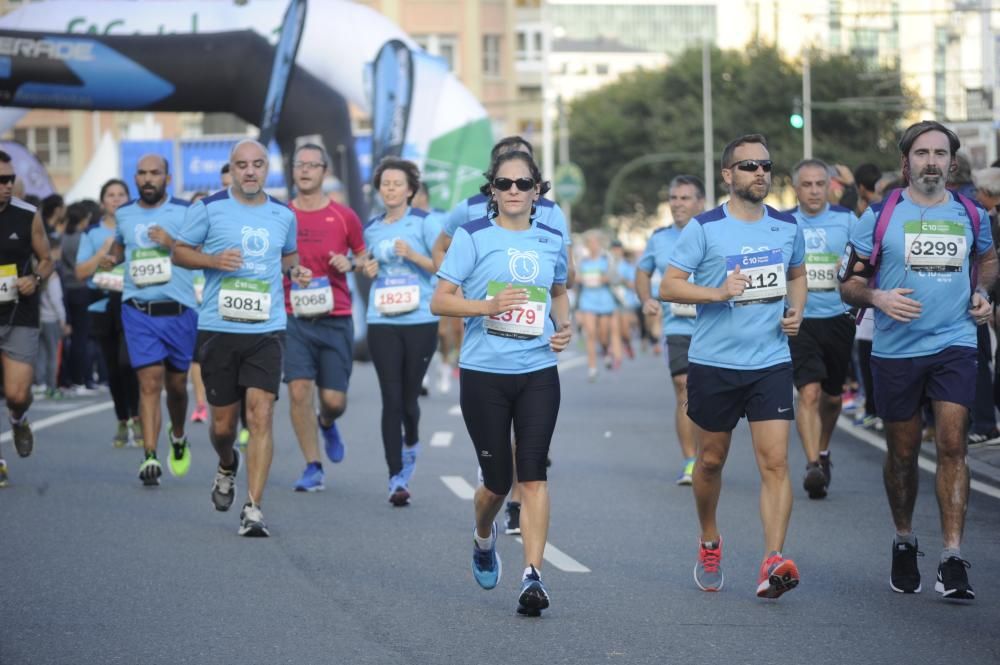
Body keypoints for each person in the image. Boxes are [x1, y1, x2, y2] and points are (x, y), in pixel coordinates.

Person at [839, 121, 997, 600]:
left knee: (953, 445)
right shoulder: (880, 215)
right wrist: (879, 298)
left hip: (954, 343)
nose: (932, 161)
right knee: (904, 454)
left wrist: (983, 292)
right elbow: (847, 283)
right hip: (896, 350)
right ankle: (905, 540)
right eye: (922, 153)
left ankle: (952, 558)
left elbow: (989, 259)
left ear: (952, 162)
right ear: (906, 162)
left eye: (940, 153)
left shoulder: (971, 213)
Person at [661, 134, 806, 599]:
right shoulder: (704, 228)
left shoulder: (786, 226)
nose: (759, 173)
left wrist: (796, 310)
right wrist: (718, 293)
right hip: (714, 362)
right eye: (748, 167)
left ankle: (772, 559)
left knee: (777, 462)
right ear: (728, 175)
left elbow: (797, 274)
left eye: (765, 165)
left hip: (770, 362)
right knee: (709, 461)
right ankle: (709, 538)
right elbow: (669, 286)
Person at [431, 148, 572, 617]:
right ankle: (483, 535)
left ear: (537, 192)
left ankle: (533, 575)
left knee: (532, 474)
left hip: (537, 372)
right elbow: (440, 302)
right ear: (492, 191)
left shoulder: (550, 238)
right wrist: (487, 308)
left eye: (523, 184)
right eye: (505, 184)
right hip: (484, 374)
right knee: (496, 482)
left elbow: (557, 289)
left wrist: (564, 326)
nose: (514, 191)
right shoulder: (472, 236)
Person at [173, 138, 311, 537]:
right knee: (222, 427)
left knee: (261, 413)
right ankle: (226, 463)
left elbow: (288, 256)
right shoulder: (209, 208)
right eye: (241, 165)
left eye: (258, 164)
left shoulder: (283, 214)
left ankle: (253, 508)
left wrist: (295, 271)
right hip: (219, 327)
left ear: (268, 169)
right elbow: (180, 252)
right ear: (231, 169)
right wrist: (213, 261)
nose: (250, 171)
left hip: (267, 328)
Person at [98, 154, 197, 486]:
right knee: (150, 382)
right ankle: (150, 456)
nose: (148, 179)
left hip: (180, 311)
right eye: (141, 173)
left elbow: (197, 251)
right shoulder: (124, 214)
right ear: (135, 178)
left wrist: (171, 243)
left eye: (155, 173)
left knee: (177, 387)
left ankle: (178, 434)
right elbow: (121, 245)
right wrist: (113, 257)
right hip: (139, 310)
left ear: (167, 178)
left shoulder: (186, 211)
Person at [284, 143, 365, 492]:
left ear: (324, 171)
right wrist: (289, 270)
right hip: (294, 317)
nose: (304, 170)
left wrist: (351, 263)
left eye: (312, 165)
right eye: (298, 164)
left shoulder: (344, 216)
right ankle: (312, 465)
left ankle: (327, 422)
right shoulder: (281, 215)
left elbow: (364, 257)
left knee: (334, 400)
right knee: (299, 390)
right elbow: (271, 259)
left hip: (335, 317)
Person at [362, 157, 440, 506]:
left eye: (397, 184)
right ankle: (396, 477)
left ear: (411, 190)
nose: (390, 189)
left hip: (420, 319)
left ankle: (412, 438)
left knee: (409, 400)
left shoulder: (426, 223)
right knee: (390, 398)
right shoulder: (372, 228)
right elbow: (367, 264)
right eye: (385, 184)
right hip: (382, 319)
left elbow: (443, 268)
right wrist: (367, 267)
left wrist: (412, 255)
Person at [788, 159, 857, 499]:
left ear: (829, 186)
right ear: (795, 188)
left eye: (820, 184)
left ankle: (824, 450)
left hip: (838, 317)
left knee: (831, 397)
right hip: (800, 318)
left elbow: (865, 260)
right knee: (809, 393)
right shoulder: (784, 223)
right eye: (807, 185)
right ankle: (812, 463)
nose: (814, 190)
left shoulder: (847, 220)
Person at [636, 175, 705, 485]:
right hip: (677, 325)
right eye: (674, 198)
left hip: (713, 324)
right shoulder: (660, 237)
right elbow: (642, 270)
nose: (677, 203)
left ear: (700, 202)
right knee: (683, 386)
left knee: (710, 396)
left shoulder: (713, 231)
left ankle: (709, 456)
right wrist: (646, 298)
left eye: (685, 198)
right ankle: (691, 460)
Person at [0, 150, 55, 488]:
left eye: (9, 179)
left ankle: (18, 419)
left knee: (18, 394)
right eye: (0, 181)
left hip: (19, 312)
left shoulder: (28, 215)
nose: (7, 186)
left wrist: (35, 279)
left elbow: (47, 258)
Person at [76, 179, 141, 447]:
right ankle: (122, 419)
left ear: (128, 198)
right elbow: (80, 272)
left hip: (131, 303)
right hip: (102, 304)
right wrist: (103, 252)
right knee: (112, 367)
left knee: (129, 363)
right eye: (110, 195)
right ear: (103, 202)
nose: (116, 199)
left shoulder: (137, 228)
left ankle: (137, 416)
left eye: (121, 194)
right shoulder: (92, 233)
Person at [58, 202, 97, 395]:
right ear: (83, 219)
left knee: (72, 337)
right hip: (82, 288)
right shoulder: (83, 238)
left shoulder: (63, 237)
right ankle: (80, 379)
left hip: (66, 288)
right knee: (82, 337)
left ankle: (72, 379)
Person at [577, 229, 622, 380]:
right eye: (590, 243)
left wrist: (605, 278)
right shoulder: (582, 261)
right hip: (587, 300)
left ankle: (606, 350)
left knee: (603, 334)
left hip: (604, 300)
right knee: (590, 333)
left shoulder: (606, 259)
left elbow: (615, 277)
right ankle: (592, 368)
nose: (593, 245)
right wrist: (581, 279)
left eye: (596, 242)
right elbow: (576, 278)